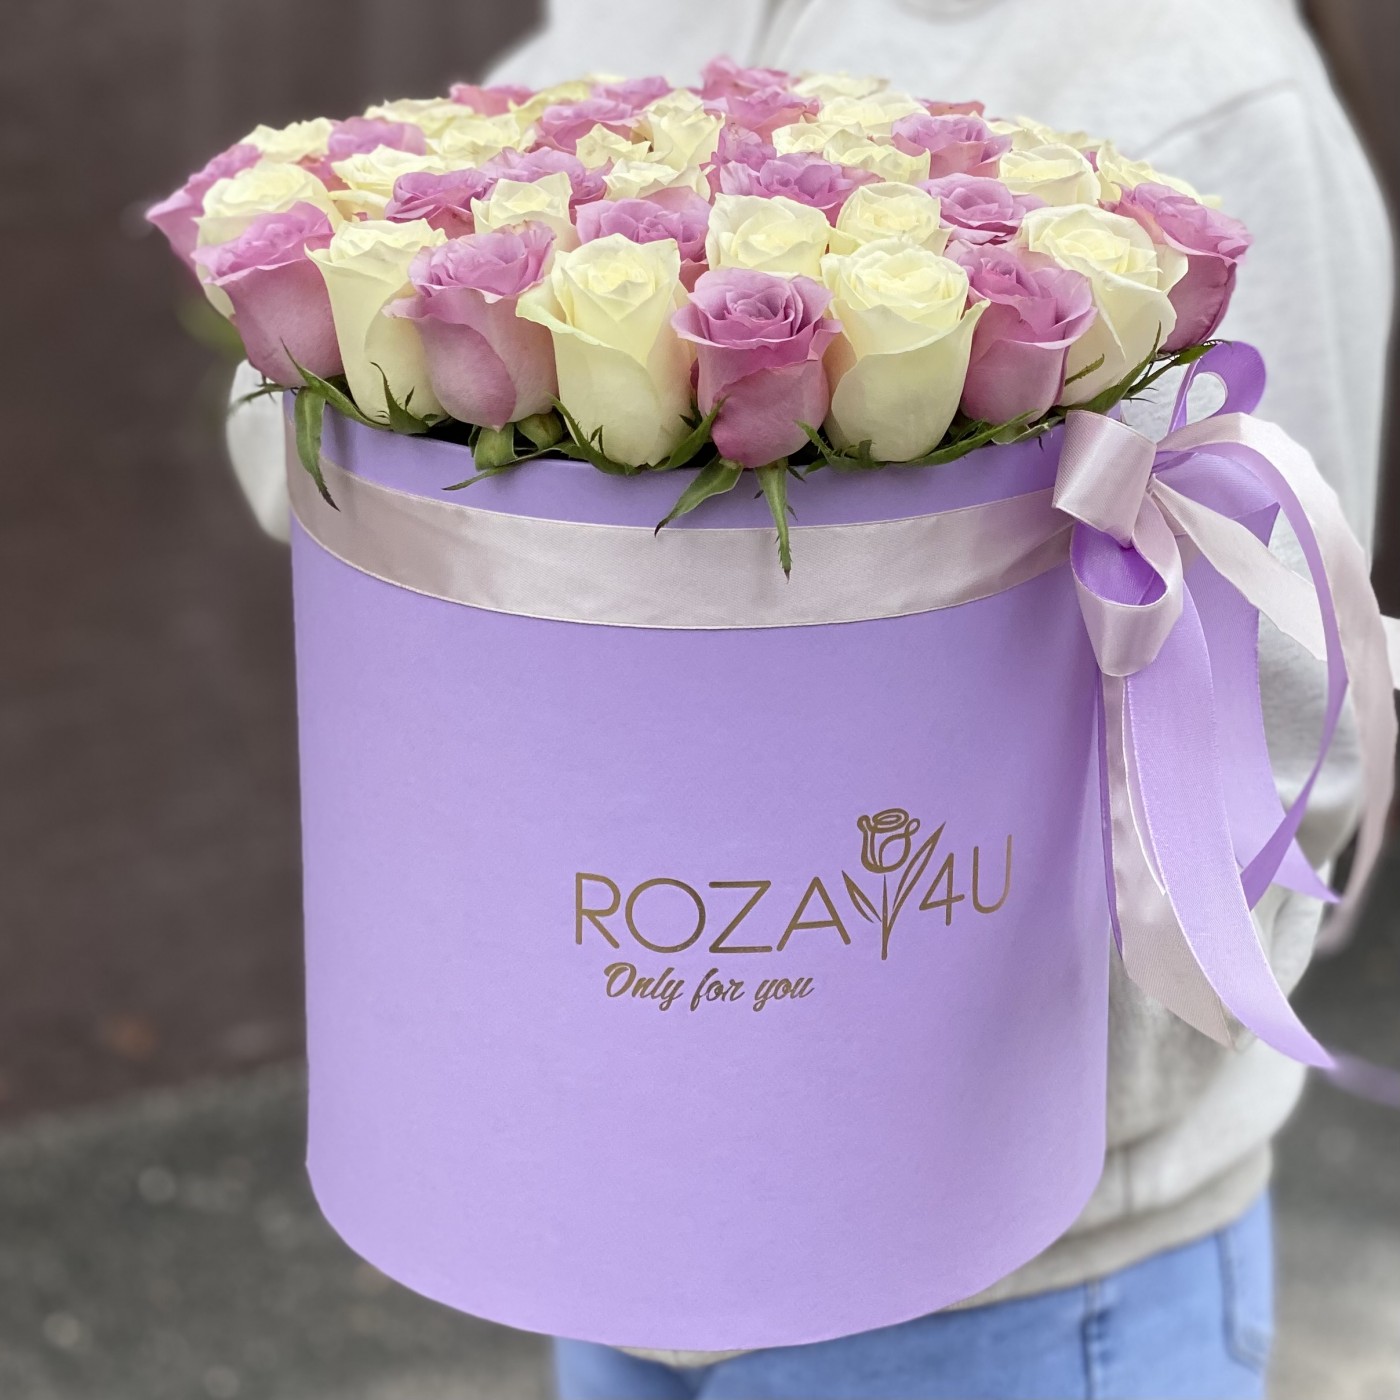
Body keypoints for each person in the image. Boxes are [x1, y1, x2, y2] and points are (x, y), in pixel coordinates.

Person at [221, 2, 1392, 1394]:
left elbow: (1278, 733)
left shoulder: (1202, 77)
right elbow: (314, 480)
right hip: (607, 1225)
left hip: (1020, 1293)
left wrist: (942, 1090)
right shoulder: (647, 18)